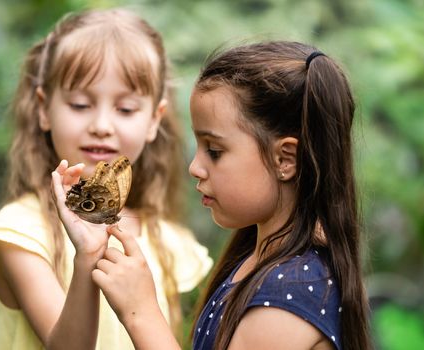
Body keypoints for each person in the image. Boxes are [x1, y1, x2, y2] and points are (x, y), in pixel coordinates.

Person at [52, 40, 373, 350]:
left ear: (285, 159)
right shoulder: (262, 259)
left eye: (215, 151)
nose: (195, 167)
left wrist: (141, 314)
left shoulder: (289, 297)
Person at [0, 7, 212, 350]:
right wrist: (87, 259)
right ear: (43, 109)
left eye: (125, 109)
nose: (101, 125)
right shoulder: (21, 235)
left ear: (154, 119)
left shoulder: (163, 240)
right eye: (81, 104)